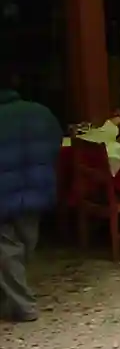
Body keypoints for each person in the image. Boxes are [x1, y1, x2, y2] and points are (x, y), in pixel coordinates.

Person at [0, 87, 62, 322]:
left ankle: (23, 305)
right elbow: (57, 141)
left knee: (7, 247)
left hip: (4, 192)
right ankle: (13, 295)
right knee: (26, 241)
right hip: (36, 188)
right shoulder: (41, 112)